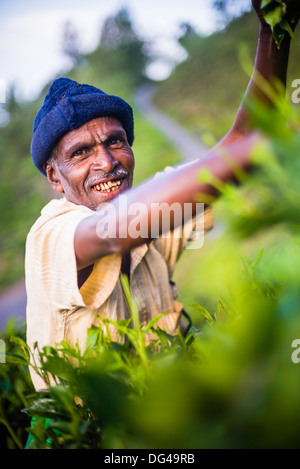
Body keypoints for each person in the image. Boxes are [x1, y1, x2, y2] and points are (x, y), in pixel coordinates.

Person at [25, 0, 299, 391]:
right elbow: (110, 232)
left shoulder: (155, 222)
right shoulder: (48, 236)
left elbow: (241, 138)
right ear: (55, 177)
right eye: (81, 153)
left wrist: (273, 29)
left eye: (115, 142)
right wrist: (262, 150)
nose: (106, 161)